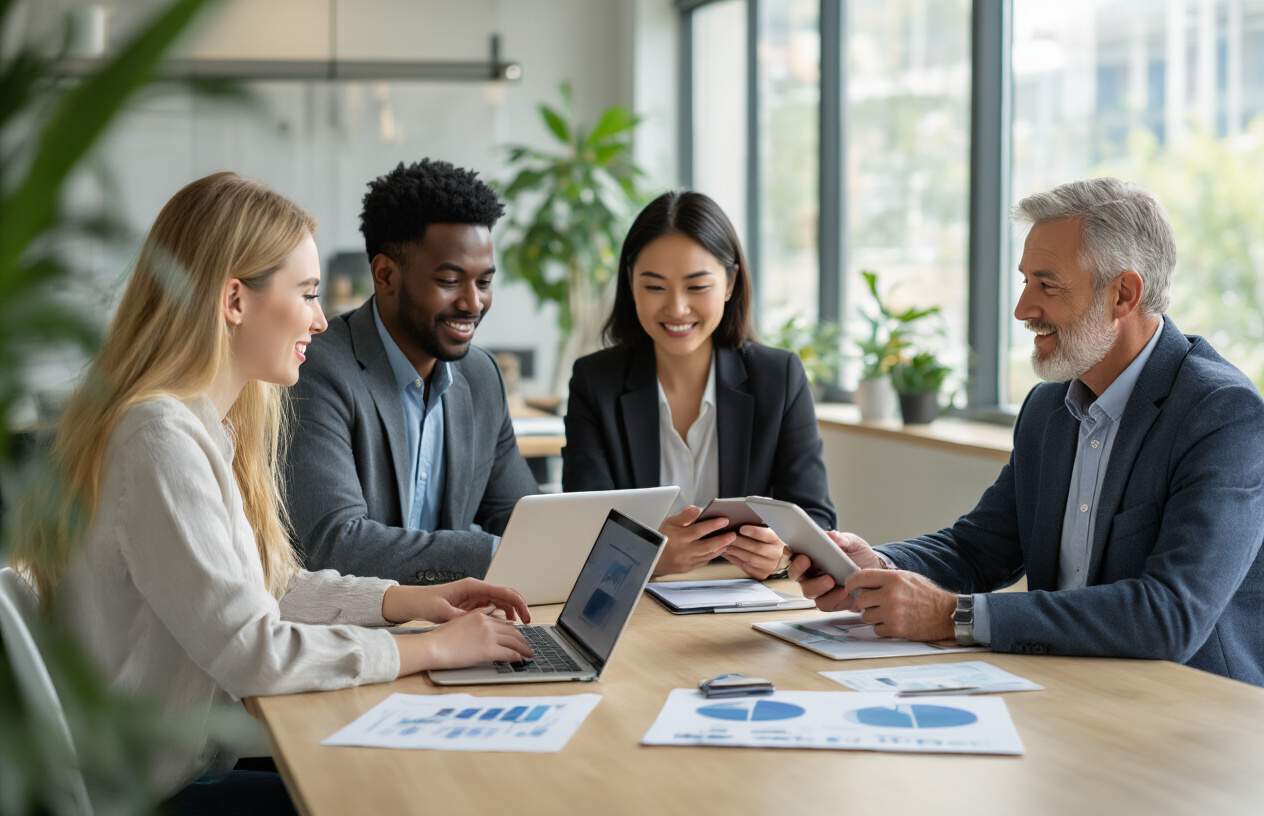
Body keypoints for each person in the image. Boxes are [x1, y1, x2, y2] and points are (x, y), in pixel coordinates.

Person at [10, 172, 533, 811]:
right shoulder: (158, 440)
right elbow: (253, 652)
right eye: (308, 294)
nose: (320, 318)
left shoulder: (191, 424)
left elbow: (266, 590)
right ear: (235, 300)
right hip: (148, 794)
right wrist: (431, 648)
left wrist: (408, 600)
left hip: (174, 772)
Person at [790, 177, 1264, 686]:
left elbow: (1170, 615)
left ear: (1124, 294)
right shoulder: (1049, 406)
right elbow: (979, 548)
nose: (1022, 309)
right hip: (1066, 690)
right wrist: (874, 565)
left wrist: (956, 616)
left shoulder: (1222, 415)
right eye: (1025, 282)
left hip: (1191, 709)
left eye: (1048, 284)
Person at [287, 160, 538, 586]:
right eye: (450, 280)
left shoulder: (481, 376)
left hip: (456, 627)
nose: (473, 303)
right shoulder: (317, 369)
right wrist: (496, 552)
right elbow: (333, 544)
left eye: (484, 282)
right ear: (385, 275)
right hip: (359, 638)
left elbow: (525, 518)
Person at [563, 189, 836, 579]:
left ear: (730, 283)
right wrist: (649, 555)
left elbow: (817, 519)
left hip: (745, 610)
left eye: (697, 287)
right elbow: (581, 527)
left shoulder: (779, 377)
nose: (676, 308)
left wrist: (783, 555)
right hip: (633, 609)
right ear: (630, 282)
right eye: (655, 286)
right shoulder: (596, 382)